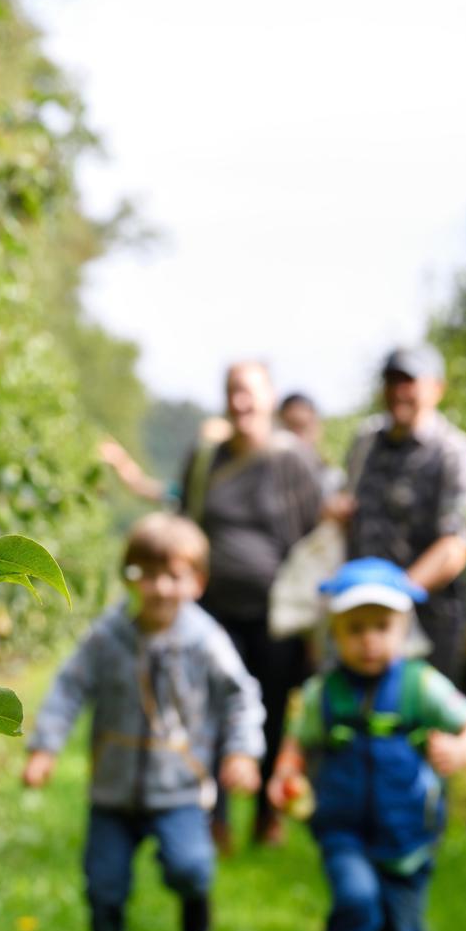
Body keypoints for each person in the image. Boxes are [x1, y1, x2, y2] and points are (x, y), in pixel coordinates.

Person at [266, 558, 466, 931]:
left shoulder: (420, 685)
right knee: (354, 901)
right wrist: (286, 776)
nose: (369, 639)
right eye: (355, 629)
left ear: (403, 628)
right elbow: (297, 743)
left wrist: (462, 749)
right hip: (342, 829)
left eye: (381, 627)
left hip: (408, 834)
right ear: (335, 632)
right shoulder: (321, 693)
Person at [100, 362, 324, 847]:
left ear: (269, 398)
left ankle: (266, 814)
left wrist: (316, 624)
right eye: (232, 392)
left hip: (278, 617)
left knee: (271, 710)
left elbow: (314, 540)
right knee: (213, 709)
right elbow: (183, 522)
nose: (241, 402)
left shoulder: (294, 462)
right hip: (213, 611)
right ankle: (214, 816)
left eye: (250, 392)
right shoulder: (205, 459)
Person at [23, 513, 266, 931]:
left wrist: (242, 753)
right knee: (104, 881)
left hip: (180, 789)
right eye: (147, 575)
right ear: (129, 578)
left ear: (198, 582)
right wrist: (45, 746)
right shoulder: (108, 638)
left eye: (174, 576)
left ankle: (196, 898)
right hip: (114, 790)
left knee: (189, 866)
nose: (161, 588)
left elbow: (241, 697)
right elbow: (69, 687)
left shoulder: (205, 640)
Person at [325, 345, 466, 683]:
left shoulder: (452, 452)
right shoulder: (366, 440)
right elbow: (345, 505)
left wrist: (395, 593)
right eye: (391, 381)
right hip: (362, 613)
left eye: (409, 381)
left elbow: (455, 547)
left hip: (429, 620)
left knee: (423, 722)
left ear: (436, 389)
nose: (399, 391)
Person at [278, 391, 344, 495]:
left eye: (302, 427)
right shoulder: (265, 478)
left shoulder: (334, 479)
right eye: (291, 428)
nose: (296, 439)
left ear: (317, 427)